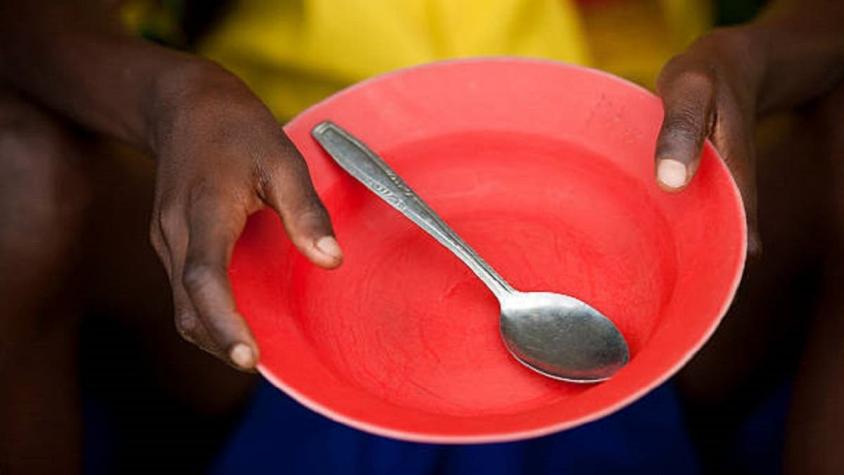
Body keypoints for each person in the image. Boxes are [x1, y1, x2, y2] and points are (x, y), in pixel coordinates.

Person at [0, 0, 841, 472]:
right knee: (18, 175)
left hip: (650, 191)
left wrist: (750, 57)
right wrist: (172, 96)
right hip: (259, 197)